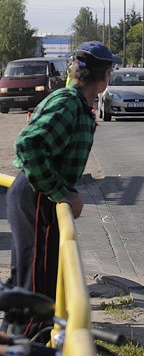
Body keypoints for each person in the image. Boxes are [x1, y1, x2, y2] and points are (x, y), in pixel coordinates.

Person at [6, 41, 119, 336]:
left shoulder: (76, 104)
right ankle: (28, 348)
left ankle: (17, 342)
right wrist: (62, 193)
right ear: (104, 75)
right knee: (38, 283)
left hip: (36, 194)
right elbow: (28, 145)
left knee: (30, 279)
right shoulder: (67, 104)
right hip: (37, 196)